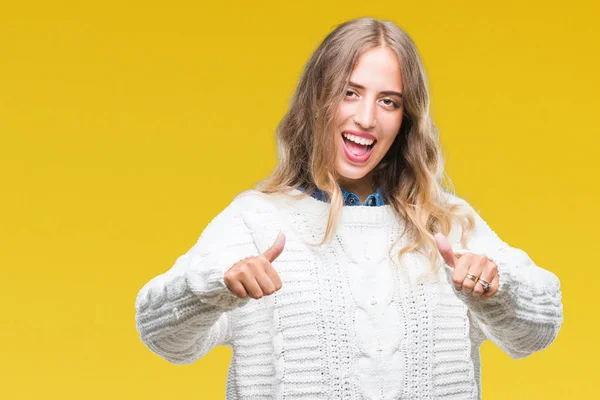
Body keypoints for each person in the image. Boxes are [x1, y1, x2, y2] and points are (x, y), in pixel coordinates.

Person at [134, 17, 563, 399]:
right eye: (349, 92)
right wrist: (214, 286)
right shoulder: (256, 219)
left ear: (406, 119)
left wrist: (496, 288)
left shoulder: (447, 223)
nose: (366, 118)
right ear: (316, 101)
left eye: (388, 101)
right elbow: (163, 337)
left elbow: (537, 333)